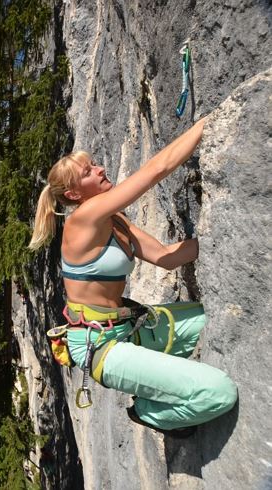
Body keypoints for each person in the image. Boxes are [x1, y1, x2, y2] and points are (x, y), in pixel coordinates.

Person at [28, 117, 237, 437]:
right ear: (72, 193)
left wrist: (222, 235)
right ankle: (148, 411)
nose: (99, 169)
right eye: (88, 172)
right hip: (101, 348)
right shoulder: (82, 219)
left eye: (95, 164)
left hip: (129, 327)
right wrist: (206, 125)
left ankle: (155, 379)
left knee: (212, 318)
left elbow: (166, 258)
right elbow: (156, 169)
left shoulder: (116, 221)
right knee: (219, 392)